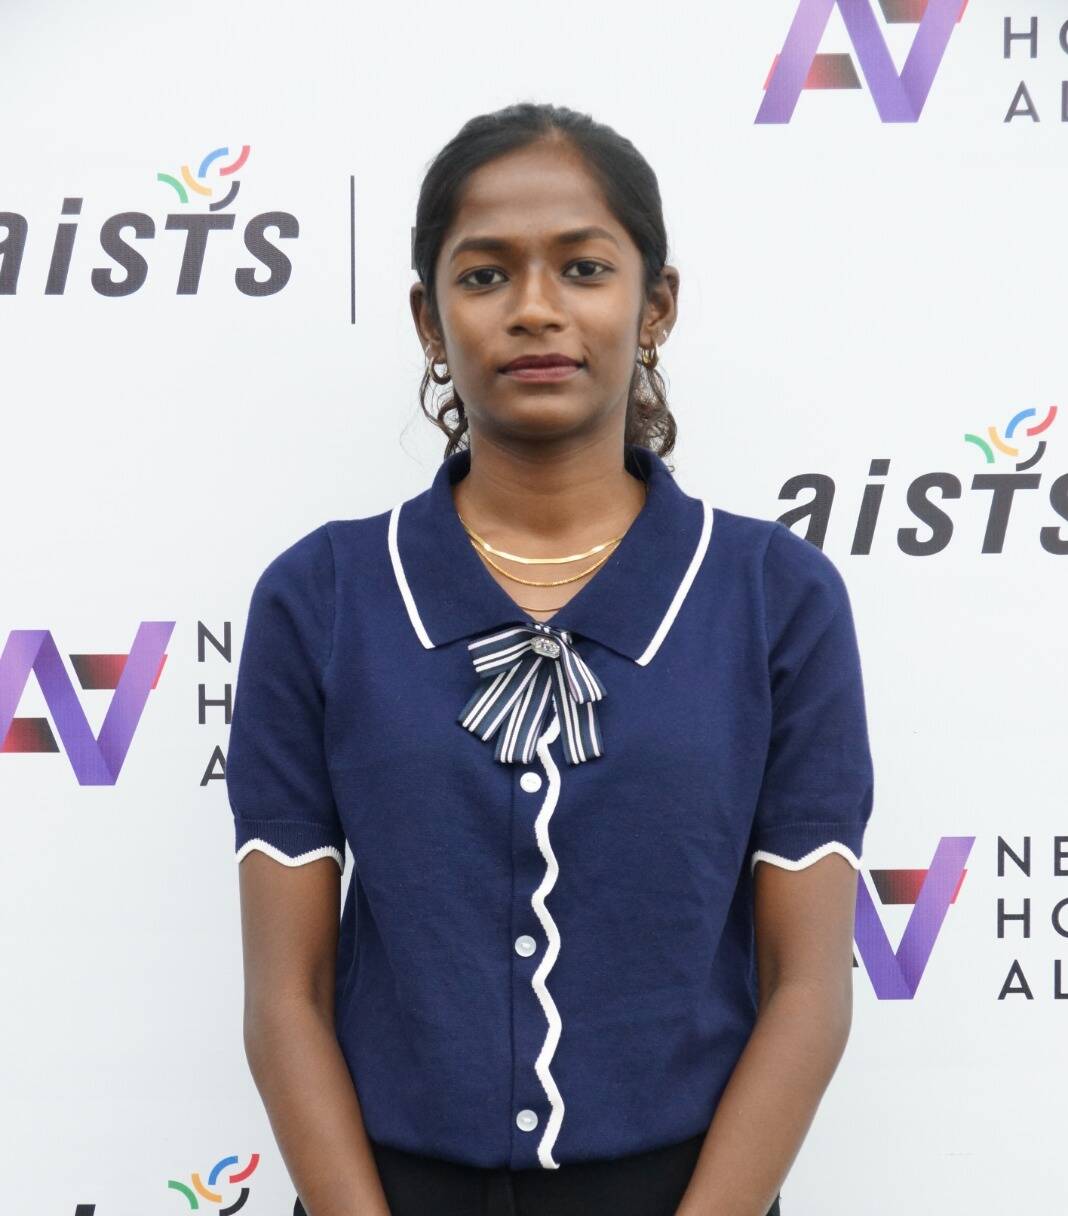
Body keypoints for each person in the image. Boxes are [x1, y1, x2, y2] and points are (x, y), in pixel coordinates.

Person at [226, 101, 875, 1216]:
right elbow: (288, 993)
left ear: (655, 304)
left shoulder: (774, 598)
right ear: (429, 320)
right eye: (485, 276)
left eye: (583, 267)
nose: (535, 308)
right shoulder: (321, 597)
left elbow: (808, 989)